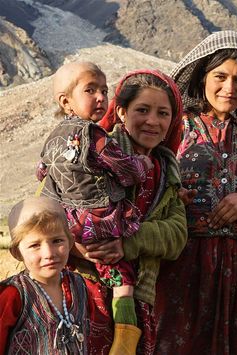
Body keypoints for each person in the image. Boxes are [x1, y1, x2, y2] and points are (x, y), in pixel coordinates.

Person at [152, 30, 237, 354]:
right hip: (179, 263)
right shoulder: (174, 127)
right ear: (202, 76)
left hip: (236, 269)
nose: (230, 88)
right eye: (221, 76)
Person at [37, 61, 156, 354]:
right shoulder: (95, 136)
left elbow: (42, 172)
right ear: (66, 101)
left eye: (104, 90)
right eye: (91, 90)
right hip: (97, 220)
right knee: (122, 276)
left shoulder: (52, 137)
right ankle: (126, 340)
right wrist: (144, 164)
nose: (101, 97)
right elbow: (125, 170)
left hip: (67, 222)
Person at [71, 68, 187, 354]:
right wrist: (77, 245)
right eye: (142, 110)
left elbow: (177, 235)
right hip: (84, 285)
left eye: (163, 113)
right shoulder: (92, 154)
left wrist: (127, 241)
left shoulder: (167, 171)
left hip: (138, 295)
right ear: (121, 112)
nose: (152, 121)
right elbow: (50, 208)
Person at [0, 196, 89, 354]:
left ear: (70, 242)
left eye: (57, 241)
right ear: (16, 253)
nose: (49, 253)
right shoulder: (11, 296)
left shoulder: (80, 286)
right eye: (35, 245)